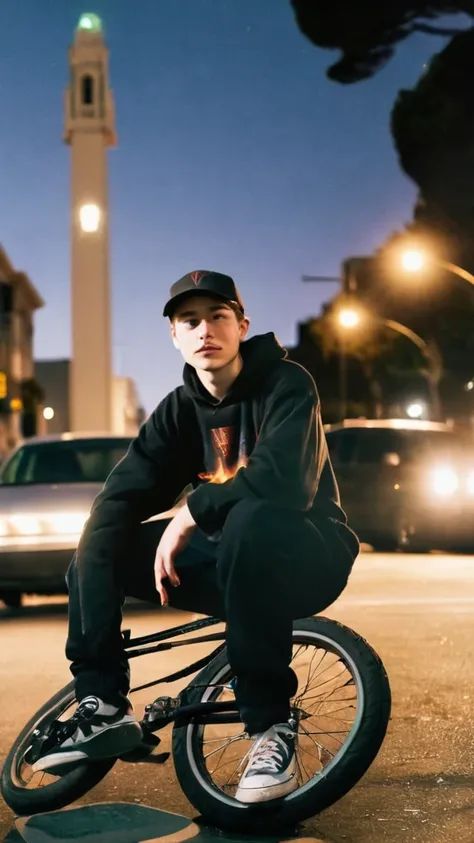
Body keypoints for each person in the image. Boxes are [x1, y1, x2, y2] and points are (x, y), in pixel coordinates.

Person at [32, 270, 359, 804]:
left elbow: (284, 482)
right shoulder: (178, 411)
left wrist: (189, 515)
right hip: (230, 561)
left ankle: (271, 729)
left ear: (241, 325)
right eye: (190, 320)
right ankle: (102, 703)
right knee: (101, 536)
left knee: (251, 519)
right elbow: (123, 493)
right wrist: (100, 538)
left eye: (218, 316)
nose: (205, 329)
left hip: (308, 551)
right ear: (175, 336)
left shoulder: (288, 383)